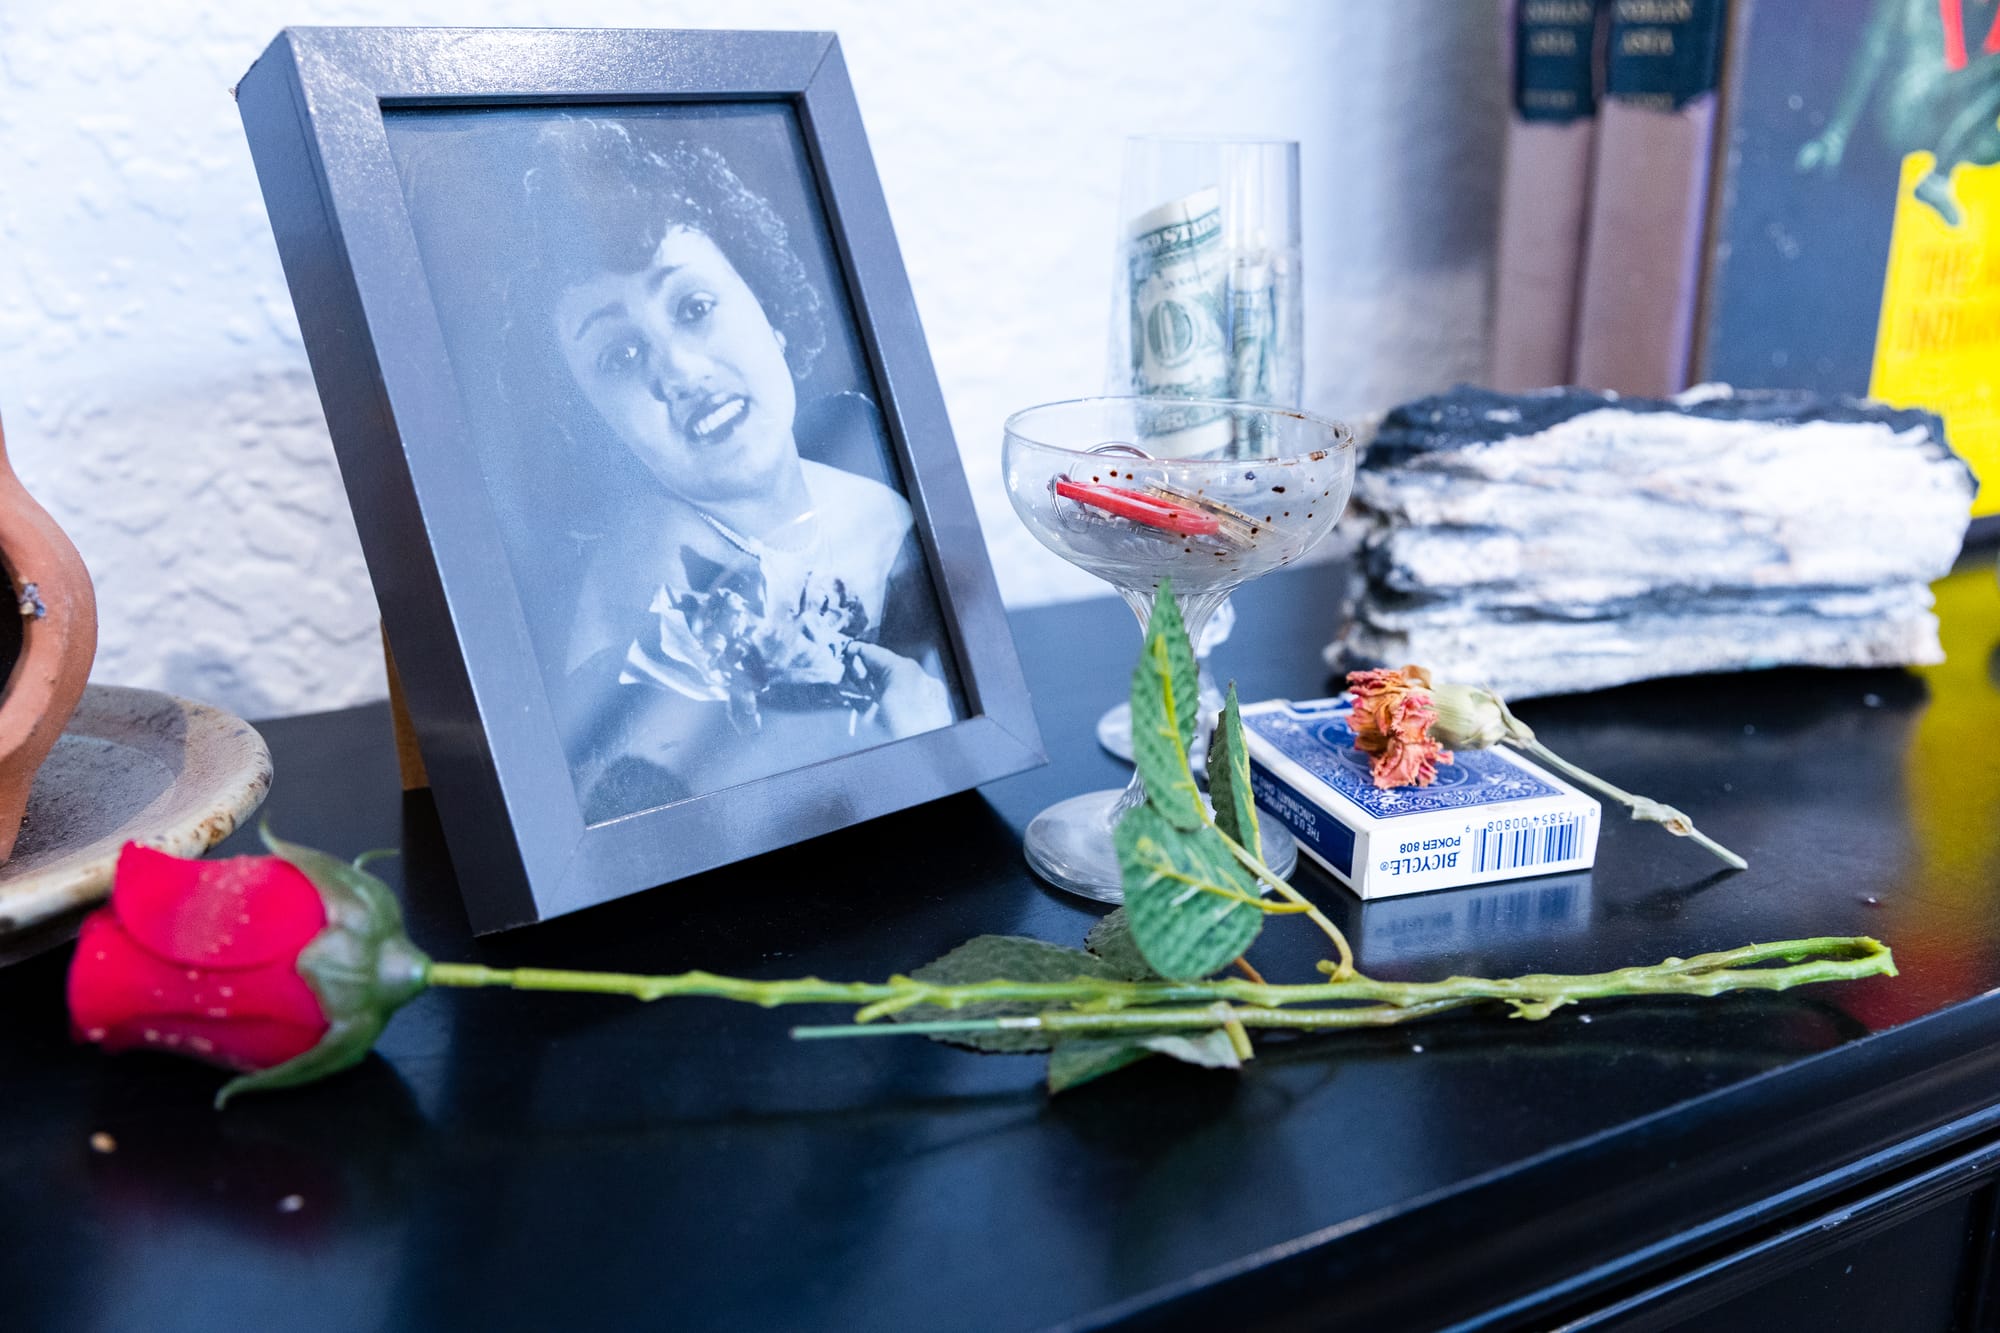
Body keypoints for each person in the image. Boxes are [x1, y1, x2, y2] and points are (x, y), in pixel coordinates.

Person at [483, 115, 956, 819]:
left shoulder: (885, 505)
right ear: (595, 426)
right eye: (621, 356)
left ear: (766, 305)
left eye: (695, 306)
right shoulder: (643, 615)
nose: (680, 369)